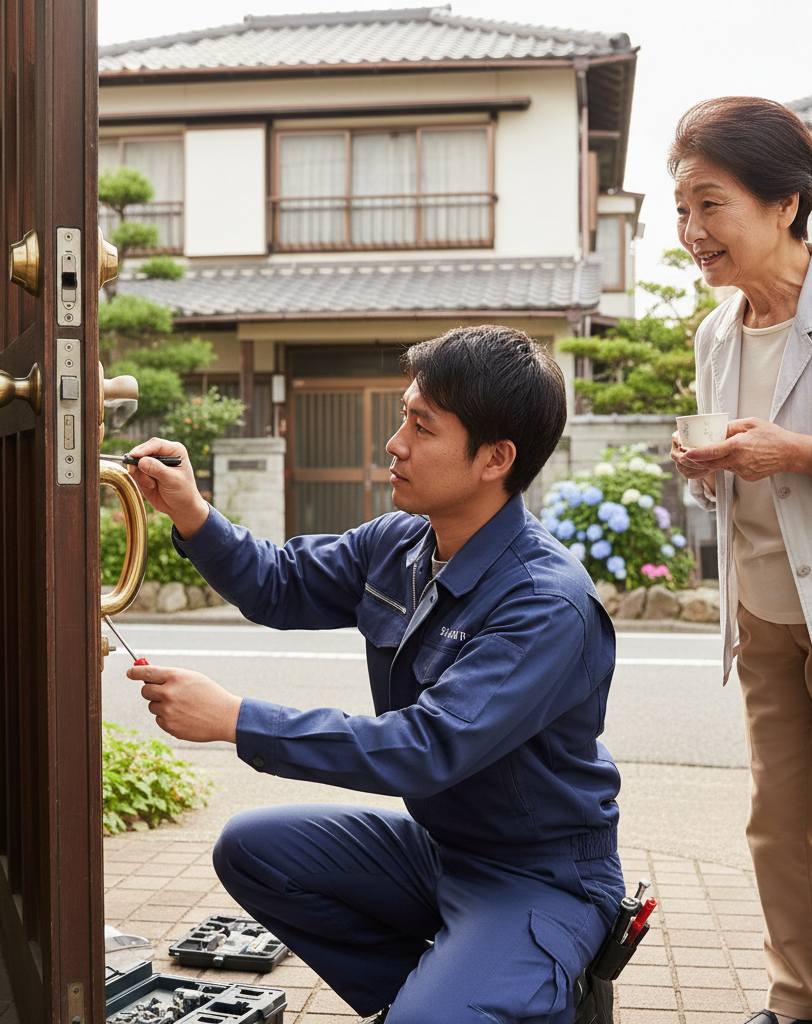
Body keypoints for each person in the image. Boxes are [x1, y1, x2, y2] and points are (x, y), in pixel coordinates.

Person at [126, 325, 624, 1024]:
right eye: (403, 418)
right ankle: (439, 996)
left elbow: (426, 748)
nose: (395, 443)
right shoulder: (401, 543)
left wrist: (236, 719)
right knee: (253, 851)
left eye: (422, 427)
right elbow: (280, 584)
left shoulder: (546, 603)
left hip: (539, 875)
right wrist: (190, 509)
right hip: (441, 851)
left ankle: (518, 993)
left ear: (495, 459)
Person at [668, 97, 812, 1024]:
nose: (691, 232)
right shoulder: (716, 333)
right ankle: (793, 1001)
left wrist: (797, 452)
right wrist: (707, 473)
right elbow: (734, 477)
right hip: (759, 612)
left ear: (784, 205)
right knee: (775, 827)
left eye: (710, 205)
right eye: (682, 210)